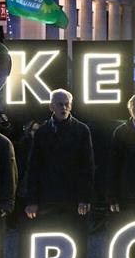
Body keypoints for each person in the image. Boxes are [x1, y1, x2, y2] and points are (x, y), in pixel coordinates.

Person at [24, 89, 95, 220]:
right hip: (48, 196)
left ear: (71, 106)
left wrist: (84, 198)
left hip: (72, 196)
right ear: (51, 106)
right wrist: (32, 200)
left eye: (66, 104)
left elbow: (87, 166)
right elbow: (34, 167)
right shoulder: (42, 132)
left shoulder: (82, 130)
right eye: (59, 104)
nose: (64, 107)